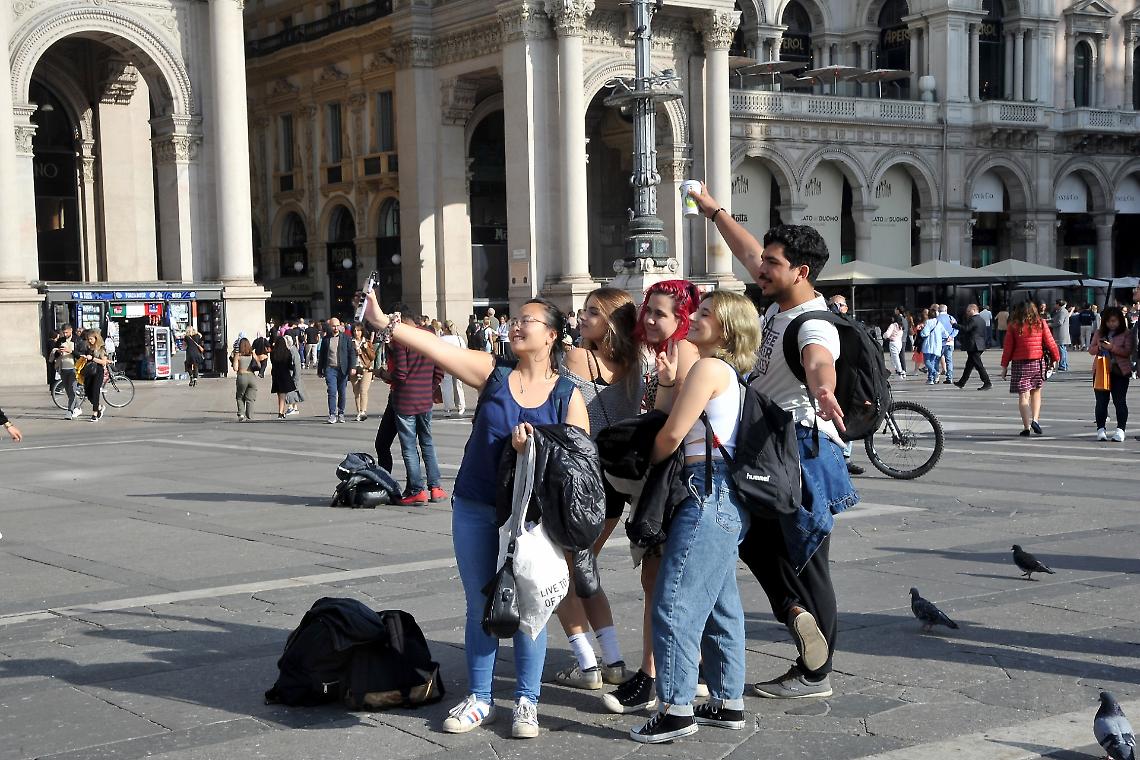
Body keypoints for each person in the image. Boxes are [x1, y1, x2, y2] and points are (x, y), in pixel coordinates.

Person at [361, 290, 589, 740]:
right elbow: (436, 347)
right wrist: (385, 321)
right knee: (480, 603)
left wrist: (535, 448)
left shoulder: (567, 394)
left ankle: (527, 701)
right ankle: (481, 698)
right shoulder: (493, 372)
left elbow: (577, 468)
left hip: (531, 519)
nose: (517, 326)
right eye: (516, 320)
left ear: (552, 336)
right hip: (475, 503)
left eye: (529, 321)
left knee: (530, 604)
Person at [689, 184, 857, 702]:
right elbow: (745, 249)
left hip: (802, 449)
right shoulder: (779, 303)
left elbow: (818, 358)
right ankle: (795, 614)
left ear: (799, 272)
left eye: (772, 264)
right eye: (763, 261)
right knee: (755, 540)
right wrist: (714, 210)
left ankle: (815, 675)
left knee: (809, 558)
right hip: (775, 450)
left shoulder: (812, 322)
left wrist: (823, 388)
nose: (760, 268)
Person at [628, 290, 760, 744]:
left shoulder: (707, 367)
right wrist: (668, 382)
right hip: (725, 499)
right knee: (721, 605)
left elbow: (670, 435)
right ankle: (726, 702)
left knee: (674, 603)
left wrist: (647, 459)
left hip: (705, 492)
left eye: (706, 314)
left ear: (727, 328)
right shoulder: (730, 373)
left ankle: (675, 708)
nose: (696, 318)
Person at [602, 279, 702, 715]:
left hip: (673, 483)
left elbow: (672, 426)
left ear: (682, 317)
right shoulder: (665, 355)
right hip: (663, 479)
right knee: (660, 583)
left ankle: (653, 676)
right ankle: (684, 670)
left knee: (660, 583)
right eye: (648, 311)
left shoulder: (687, 355)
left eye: (660, 313)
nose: (649, 319)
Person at [554, 287, 642, 692]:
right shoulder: (638, 365)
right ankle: (614, 660)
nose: (582, 317)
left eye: (592, 312)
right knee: (584, 566)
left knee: (559, 572)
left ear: (611, 321)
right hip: (615, 484)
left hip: (581, 478)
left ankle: (588, 663)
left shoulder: (577, 357)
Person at [387, 318, 446, 505]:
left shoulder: (401, 339)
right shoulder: (429, 335)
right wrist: (430, 388)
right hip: (425, 399)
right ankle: (435, 488)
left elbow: (401, 373)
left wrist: (383, 374)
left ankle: (417, 491)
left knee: (409, 447)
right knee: (427, 443)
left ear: (402, 321)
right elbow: (440, 368)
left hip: (405, 400)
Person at [1000, 301, 1060, 436]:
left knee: (1023, 396)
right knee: (1036, 392)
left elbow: (1008, 348)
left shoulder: (1013, 325)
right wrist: (1056, 358)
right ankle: (1036, 420)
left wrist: (1004, 367)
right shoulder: (1041, 323)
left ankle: (1026, 427)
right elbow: (1050, 342)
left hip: (1019, 364)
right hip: (1037, 362)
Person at [1089, 306, 1134, 442]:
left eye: (1114, 321)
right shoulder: (1099, 332)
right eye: (1108, 321)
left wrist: (1111, 347)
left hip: (1120, 371)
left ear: (1120, 320)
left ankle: (1120, 430)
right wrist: (1099, 347)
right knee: (1101, 402)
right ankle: (1101, 429)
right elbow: (1091, 349)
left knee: (1120, 401)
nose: (1111, 324)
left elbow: (1127, 351)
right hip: (1101, 370)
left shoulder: (1126, 333)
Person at [317, 318, 353, 423]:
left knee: (342, 392)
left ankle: (341, 413)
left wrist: (352, 367)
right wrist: (320, 370)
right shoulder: (326, 339)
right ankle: (332, 414)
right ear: (330, 326)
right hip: (330, 369)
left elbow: (351, 353)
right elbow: (322, 356)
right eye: (333, 326)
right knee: (332, 391)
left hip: (343, 369)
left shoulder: (346, 338)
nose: (336, 328)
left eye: (337, 326)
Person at [954, 304, 992, 390]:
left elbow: (966, 328)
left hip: (974, 345)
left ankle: (987, 382)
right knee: (969, 365)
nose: (967, 313)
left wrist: (955, 325)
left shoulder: (973, 319)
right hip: (979, 344)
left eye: (968, 311)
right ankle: (962, 382)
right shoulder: (981, 320)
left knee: (978, 365)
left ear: (974, 310)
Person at [79, 330, 112, 422]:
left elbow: (103, 362)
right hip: (89, 371)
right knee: (88, 393)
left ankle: (94, 413)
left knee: (95, 391)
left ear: (96, 338)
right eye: (88, 339)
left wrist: (93, 358)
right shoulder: (88, 347)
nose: (89, 341)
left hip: (98, 371)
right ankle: (99, 407)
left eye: (91, 339)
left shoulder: (101, 348)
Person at [52, 324, 81, 419]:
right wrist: (58, 352)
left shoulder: (77, 340)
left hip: (74, 368)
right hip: (63, 368)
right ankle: (77, 407)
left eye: (66, 332)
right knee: (68, 391)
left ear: (71, 330)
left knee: (72, 390)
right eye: (63, 332)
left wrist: (71, 351)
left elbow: (81, 355)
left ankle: (70, 411)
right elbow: (55, 354)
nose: (65, 334)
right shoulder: (60, 340)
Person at [439, 320, 467, 415]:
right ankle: (461, 406)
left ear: (445, 329)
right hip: (458, 363)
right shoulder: (459, 338)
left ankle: (447, 408)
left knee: (446, 387)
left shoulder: (441, 339)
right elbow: (464, 351)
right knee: (458, 386)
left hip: (446, 363)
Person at [350, 324, 376, 421]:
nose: (356, 333)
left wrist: (366, 348)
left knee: (363, 390)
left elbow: (372, 357)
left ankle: (363, 411)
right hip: (354, 368)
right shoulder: (350, 342)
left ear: (362, 332)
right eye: (355, 331)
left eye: (359, 330)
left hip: (366, 368)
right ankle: (359, 411)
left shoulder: (367, 342)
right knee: (356, 391)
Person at [231, 338, 259, 421]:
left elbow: (235, 368)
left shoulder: (238, 355)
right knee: (250, 398)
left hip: (242, 376)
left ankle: (241, 414)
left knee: (240, 396)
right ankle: (249, 416)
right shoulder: (252, 354)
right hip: (252, 377)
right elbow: (259, 365)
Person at [919, 309, 949, 385]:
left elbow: (925, 333)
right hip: (937, 346)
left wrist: (921, 331)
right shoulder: (939, 323)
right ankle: (930, 379)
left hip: (929, 345)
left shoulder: (928, 322)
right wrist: (948, 337)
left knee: (927, 362)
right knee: (932, 362)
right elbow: (944, 333)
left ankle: (934, 373)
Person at [269, 336, 296, 419]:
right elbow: (290, 366)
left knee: (279, 394)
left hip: (276, 374)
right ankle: (281, 413)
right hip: (285, 374)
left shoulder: (273, 353)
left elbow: (272, 362)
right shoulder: (287, 352)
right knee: (283, 395)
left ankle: (281, 411)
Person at [283, 334, 306, 415]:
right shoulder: (292, 350)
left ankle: (290, 407)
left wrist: (296, 377)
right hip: (292, 374)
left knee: (289, 392)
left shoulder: (292, 351)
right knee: (294, 391)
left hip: (292, 375)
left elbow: (296, 364)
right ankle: (294, 407)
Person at [935, 305, 958, 383]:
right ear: (946, 310)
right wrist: (951, 336)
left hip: (939, 342)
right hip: (949, 342)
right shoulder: (951, 318)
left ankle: (936, 377)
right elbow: (956, 329)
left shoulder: (936, 319)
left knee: (936, 360)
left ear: (938, 310)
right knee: (949, 360)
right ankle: (949, 377)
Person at [1050, 300, 1073, 371]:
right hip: (1062, 334)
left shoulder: (1062, 311)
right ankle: (1064, 364)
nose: (1054, 306)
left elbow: (1059, 322)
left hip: (1061, 334)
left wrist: (1050, 325)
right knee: (1063, 350)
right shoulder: (1062, 311)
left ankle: (1063, 365)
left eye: (1055, 304)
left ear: (1058, 304)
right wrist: (1048, 320)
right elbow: (1055, 319)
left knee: (1061, 350)